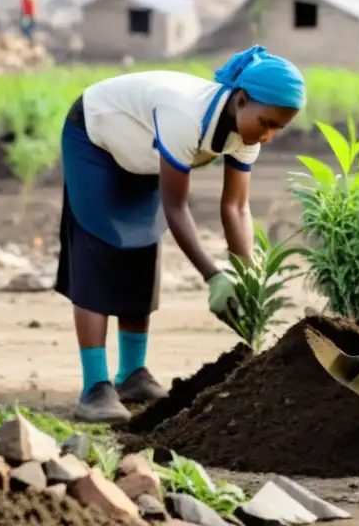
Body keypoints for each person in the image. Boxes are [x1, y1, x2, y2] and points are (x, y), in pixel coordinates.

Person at [55, 46, 305, 423]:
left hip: (140, 151)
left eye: (277, 129)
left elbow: (235, 208)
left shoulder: (245, 136)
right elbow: (176, 208)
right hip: (96, 140)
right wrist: (214, 276)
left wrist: (247, 276)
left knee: (142, 243)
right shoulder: (186, 114)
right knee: (100, 248)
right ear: (240, 100)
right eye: (266, 122)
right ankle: (95, 388)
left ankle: (132, 375)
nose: (268, 135)